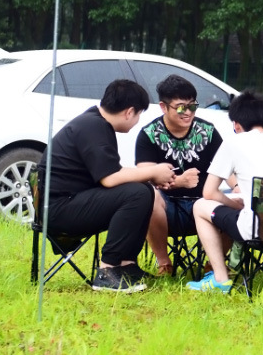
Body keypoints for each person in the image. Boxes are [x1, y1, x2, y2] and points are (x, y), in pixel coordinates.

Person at [38, 79, 176, 293]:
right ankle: (108, 270)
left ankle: (127, 265)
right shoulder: (94, 126)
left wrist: (150, 177)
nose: (137, 120)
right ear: (129, 112)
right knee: (137, 193)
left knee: (143, 190)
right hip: (59, 210)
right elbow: (110, 178)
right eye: (139, 114)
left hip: (69, 202)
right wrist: (153, 172)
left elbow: (111, 173)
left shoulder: (94, 122)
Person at [186, 90, 263, 293]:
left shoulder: (233, 143)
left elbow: (209, 192)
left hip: (254, 231)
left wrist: (235, 204)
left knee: (199, 206)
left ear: (236, 125)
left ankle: (220, 278)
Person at [135, 74, 223, 274]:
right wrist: (178, 182)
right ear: (163, 107)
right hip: (166, 211)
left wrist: (236, 186)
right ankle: (164, 264)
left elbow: (227, 168)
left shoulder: (207, 132)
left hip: (203, 206)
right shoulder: (149, 134)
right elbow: (143, 176)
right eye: (181, 107)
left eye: (192, 106)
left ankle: (214, 266)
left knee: (230, 200)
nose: (188, 113)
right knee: (147, 194)